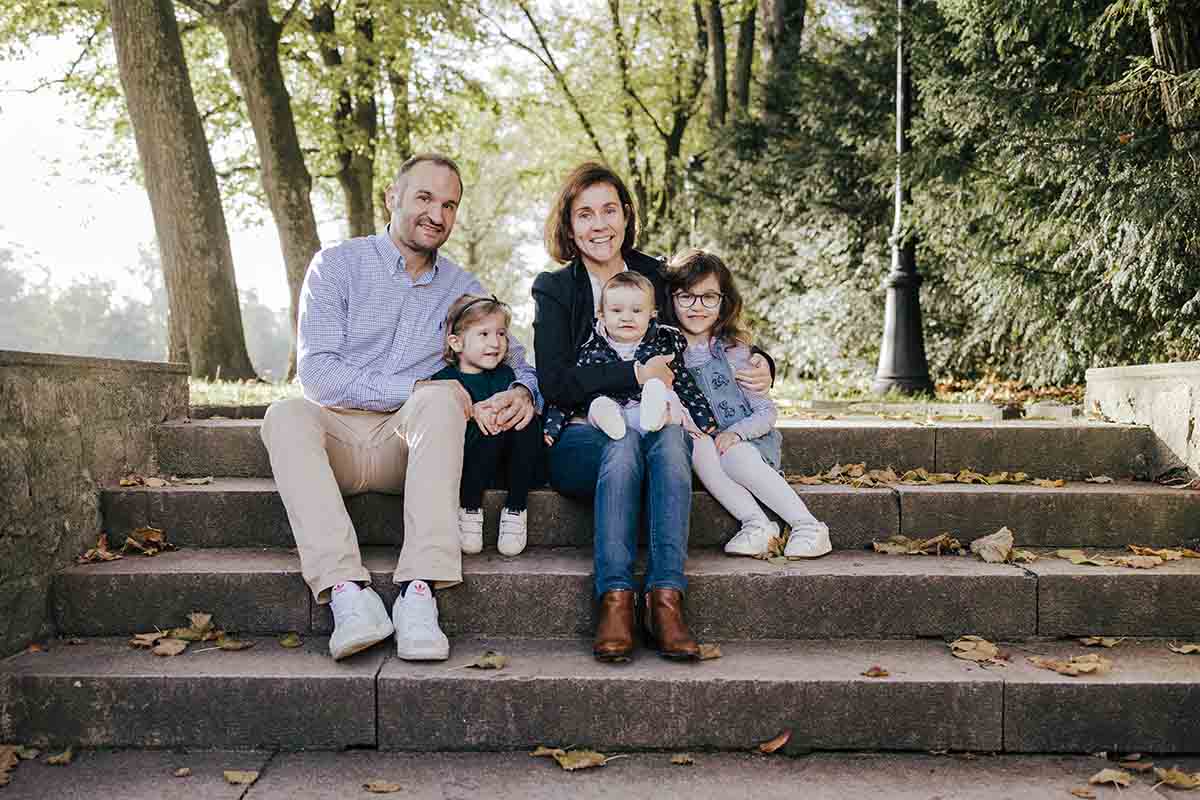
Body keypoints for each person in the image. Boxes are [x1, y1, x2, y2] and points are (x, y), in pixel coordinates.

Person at [260, 154, 539, 663]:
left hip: (409, 446)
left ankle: (419, 593)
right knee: (284, 414)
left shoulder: (463, 288)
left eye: (449, 204)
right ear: (392, 197)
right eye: (425, 198)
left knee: (439, 399)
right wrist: (415, 386)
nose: (437, 213)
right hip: (337, 437)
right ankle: (347, 593)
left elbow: (518, 358)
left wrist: (524, 392)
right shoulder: (337, 265)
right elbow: (318, 375)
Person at [531, 162, 773, 663]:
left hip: (659, 420)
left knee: (663, 438)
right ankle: (615, 599)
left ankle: (666, 598)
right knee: (621, 445)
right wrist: (636, 377)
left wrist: (762, 361)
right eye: (585, 214)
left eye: (609, 210)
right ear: (569, 225)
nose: (599, 225)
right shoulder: (555, 289)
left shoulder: (659, 276)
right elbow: (556, 382)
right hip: (580, 433)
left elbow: (709, 322)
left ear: (626, 215)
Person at [663, 249, 832, 559]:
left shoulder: (736, 352)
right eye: (686, 296)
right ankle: (757, 524)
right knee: (697, 444)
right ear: (671, 299)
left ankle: (808, 526)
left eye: (708, 297)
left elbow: (767, 412)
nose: (697, 307)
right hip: (711, 448)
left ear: (723, 301)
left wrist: (737, 433)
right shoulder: (668, 351)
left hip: (751, 443)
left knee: (735, 455)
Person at [541, 271, 717, 446]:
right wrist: (552, 427)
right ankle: (609, 417)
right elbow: (571, 391)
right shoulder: (592, 350)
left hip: (656, 418)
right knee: (596, 404)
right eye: (617, 310)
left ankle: (656, 413)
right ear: (601, 315)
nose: (626, 317)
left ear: (652, 314)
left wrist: (705, 420)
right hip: (617, 416)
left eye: (637, 310)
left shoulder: (662, 346)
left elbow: (685, 384)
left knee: (664, 392)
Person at [429, 293, 543, 557]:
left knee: (523, 416)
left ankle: (516, 509)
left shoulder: (507, 377)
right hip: (470, 464)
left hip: (510, 464)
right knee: (488, 422)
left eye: (502, 334)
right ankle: (470, 508)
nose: (496, 343)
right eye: (484, 335)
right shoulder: (444, 380)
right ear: (456, 343)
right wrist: (470, 413)